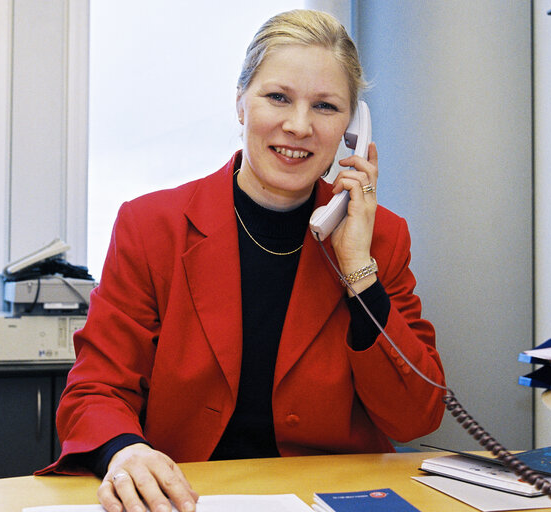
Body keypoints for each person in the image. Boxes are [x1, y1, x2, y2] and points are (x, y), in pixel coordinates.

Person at [36, 9, 445, 512]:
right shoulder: (152, 227)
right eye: (278, 97)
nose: (298, 126)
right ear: (240, 103)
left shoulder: (380, 237)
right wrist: (126, 451)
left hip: (331, 498)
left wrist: (359, 268)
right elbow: (96, 390)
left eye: (325, 106)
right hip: (188, 497)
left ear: (352, 127)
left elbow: (416, 416)